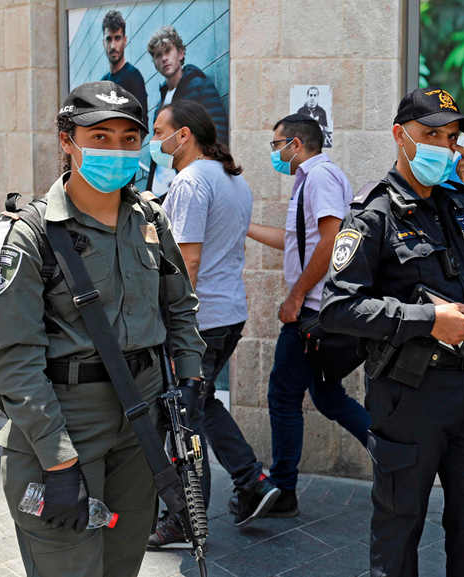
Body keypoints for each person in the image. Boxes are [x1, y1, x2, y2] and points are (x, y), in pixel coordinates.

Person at [0, 81, 205, 576]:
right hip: (64, 424)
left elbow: (181, 308)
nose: (117, 150)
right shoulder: (27, 235)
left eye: (129, 139)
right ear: (67, 140)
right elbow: (12, 360)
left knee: (122, 567)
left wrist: (190, 382)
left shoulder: (150, 217)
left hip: (142, 425)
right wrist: (58, 460)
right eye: (99, 137)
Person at [319, 87, 464, 577]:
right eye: (431, 134)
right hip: (407, 397)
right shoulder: (372, 215)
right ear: (400, 136)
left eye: (452, 136)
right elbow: (337, 308)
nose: (444, 144)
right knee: (398, 531)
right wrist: (427, 320)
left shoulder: (461, 203)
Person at [144, 100, 280, 546]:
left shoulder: (189, 181)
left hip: (199, 322)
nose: (154, 139)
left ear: (183, 135)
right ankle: (251, 480)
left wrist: (173, 322)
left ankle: (186, 517)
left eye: (159, 130)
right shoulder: (232, 179)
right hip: (229, 316)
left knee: (183, 420)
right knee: (200, 404)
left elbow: (189, 259)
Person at [243, 113, 370, 519]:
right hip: (320, 308)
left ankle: (283, 488)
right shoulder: (309, 181)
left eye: (275, 143)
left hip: (314, 311)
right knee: (328, 395)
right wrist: (244, 225)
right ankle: (395, 455)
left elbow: (332, 240)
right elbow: (299, 241)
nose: (274, 152)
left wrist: (295, 296)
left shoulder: (319, 178)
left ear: (295, 144)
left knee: (282, 394)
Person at [145, 25, 229, 197]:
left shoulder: (199, 86)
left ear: (181, 53)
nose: (164, 58)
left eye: (168, 51)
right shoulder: (160, 104)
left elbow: (218, 136)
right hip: (158, 191)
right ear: (155, 63)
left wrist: (194, 177)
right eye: (158, 55)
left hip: (186, 185)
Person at [100, 10, 148, 126]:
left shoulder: (133, 76)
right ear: (103, 43)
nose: (113, 46)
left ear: (124, 40)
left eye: (117, 38)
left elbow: (142, 123)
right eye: (109, 39)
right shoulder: (102, 83)